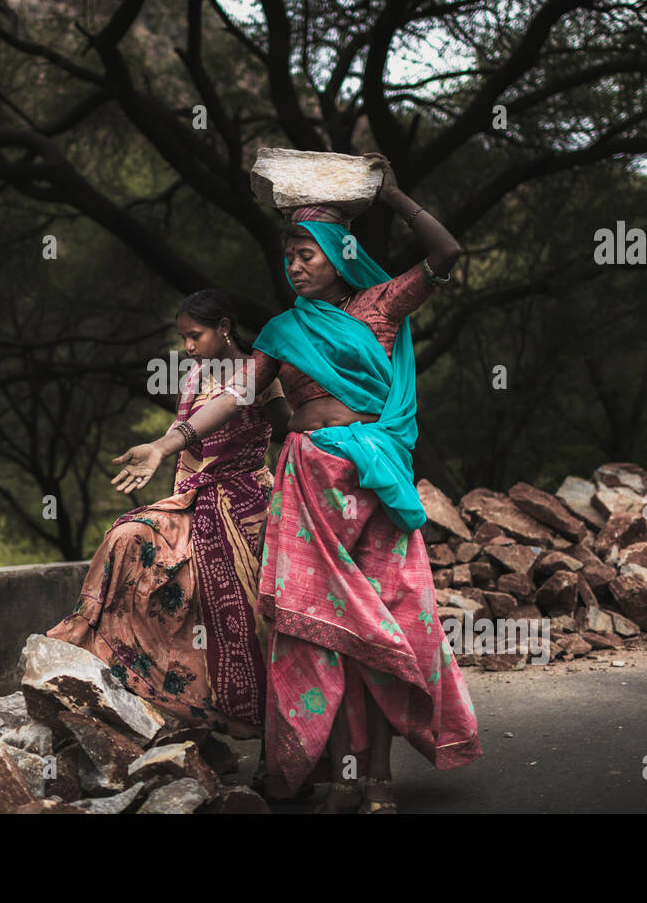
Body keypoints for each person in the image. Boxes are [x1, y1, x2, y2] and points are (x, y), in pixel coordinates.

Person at [110, 153, 483, 812]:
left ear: (340, 253)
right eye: (288, 256)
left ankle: (379, 781)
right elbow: (235, 398)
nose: (295, 265)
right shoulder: (283, 330)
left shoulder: (381, 306)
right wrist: (169, 440)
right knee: (318, 631)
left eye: (306, 254)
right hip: (307, 482)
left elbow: (447, 251)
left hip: (372, 485)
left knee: (380, 635)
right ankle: (337, 777)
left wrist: (394, 196)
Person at [48, 290, 291, 738]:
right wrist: (164, 465)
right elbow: (185, 447)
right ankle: (106, 657)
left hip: (247, 507)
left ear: (224, 327)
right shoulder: (196, 375)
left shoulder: (261, 373)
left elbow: (287, 430)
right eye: (183, 338)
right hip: (194, 498)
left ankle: (271, 735)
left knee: (255, 620)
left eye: (195, 336)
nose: (189, 347)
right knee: (127, 538)